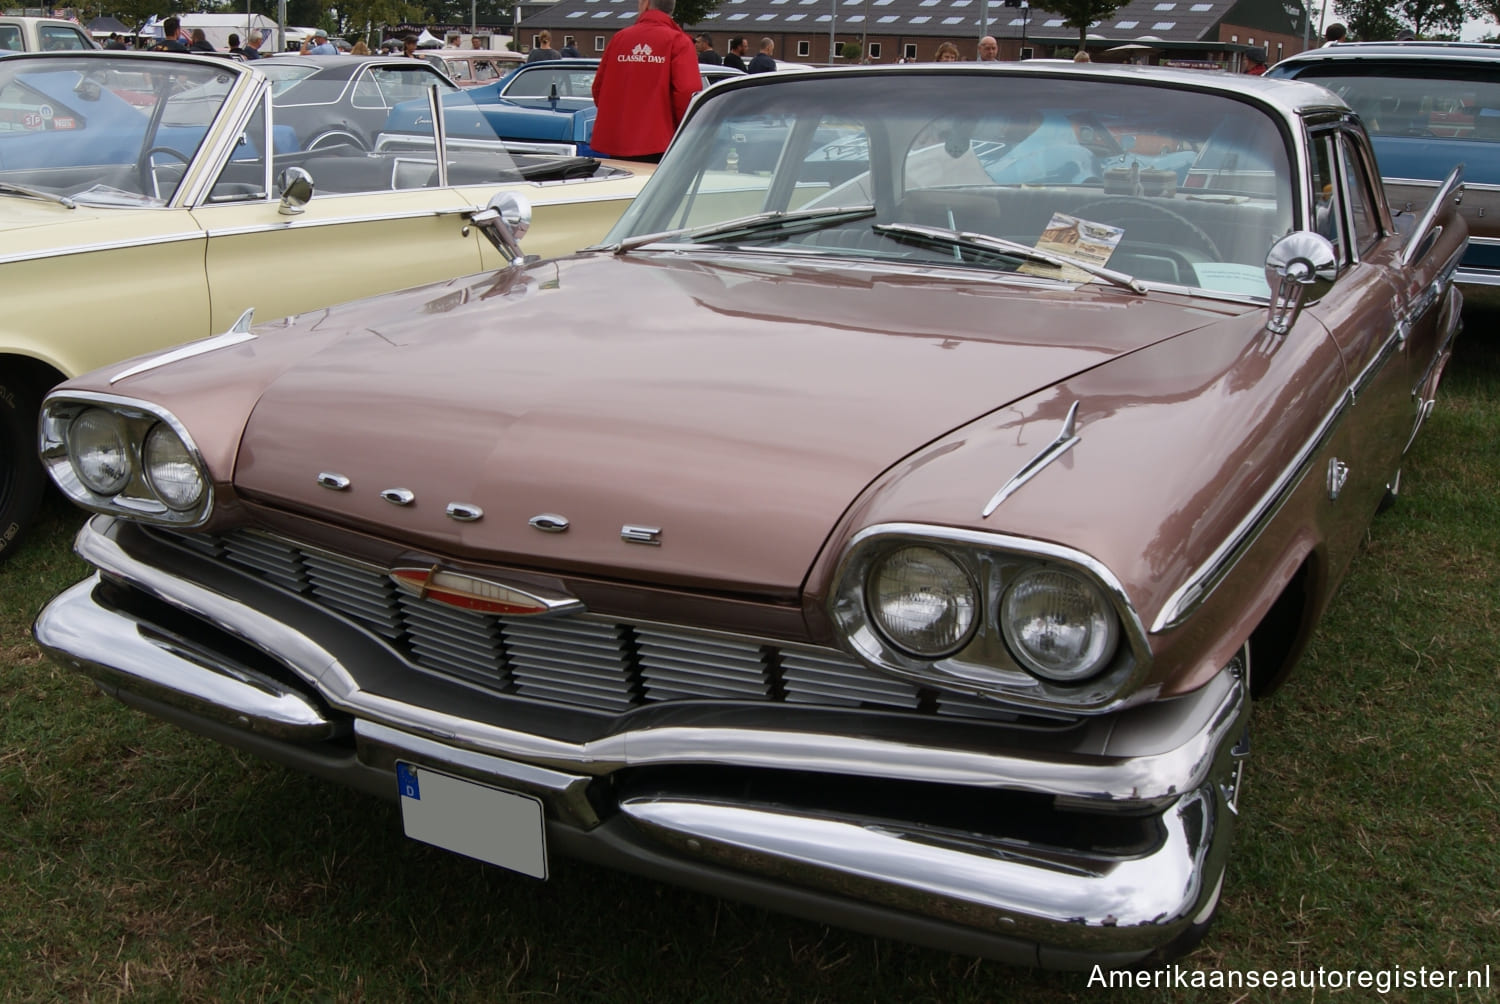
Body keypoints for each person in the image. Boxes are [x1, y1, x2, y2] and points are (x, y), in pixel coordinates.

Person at [591, 0, 702, 162]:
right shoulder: (678, 41)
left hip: (618, 141)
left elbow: (598, 89)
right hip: (660, 142)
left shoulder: (619, 38)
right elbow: (687, 93)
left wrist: (617, 118)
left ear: (645, 3)